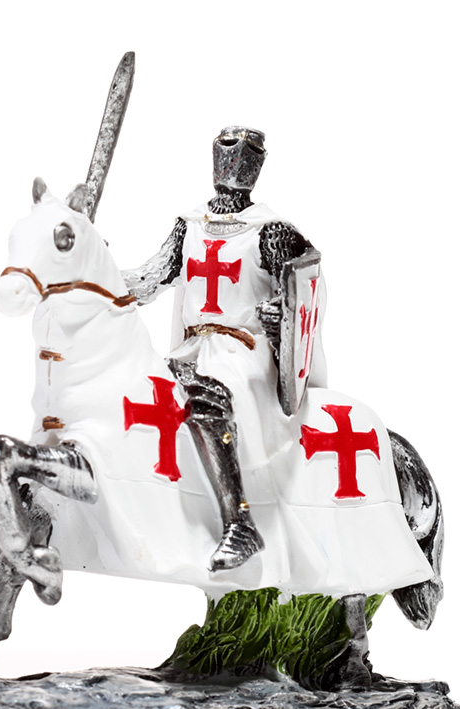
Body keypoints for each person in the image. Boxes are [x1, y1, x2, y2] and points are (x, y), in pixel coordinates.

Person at [122, 126, 326, 571]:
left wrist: (281, 314)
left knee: (208, 399)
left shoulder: (271, 231)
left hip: (243, 351)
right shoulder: (190, 225)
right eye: (228, 149)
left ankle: (240, 523)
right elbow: (149, 280)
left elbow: (303, 295)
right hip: (193, 348)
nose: (235, 159)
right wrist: (93, 271)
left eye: (245, 153)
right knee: (141, 392)